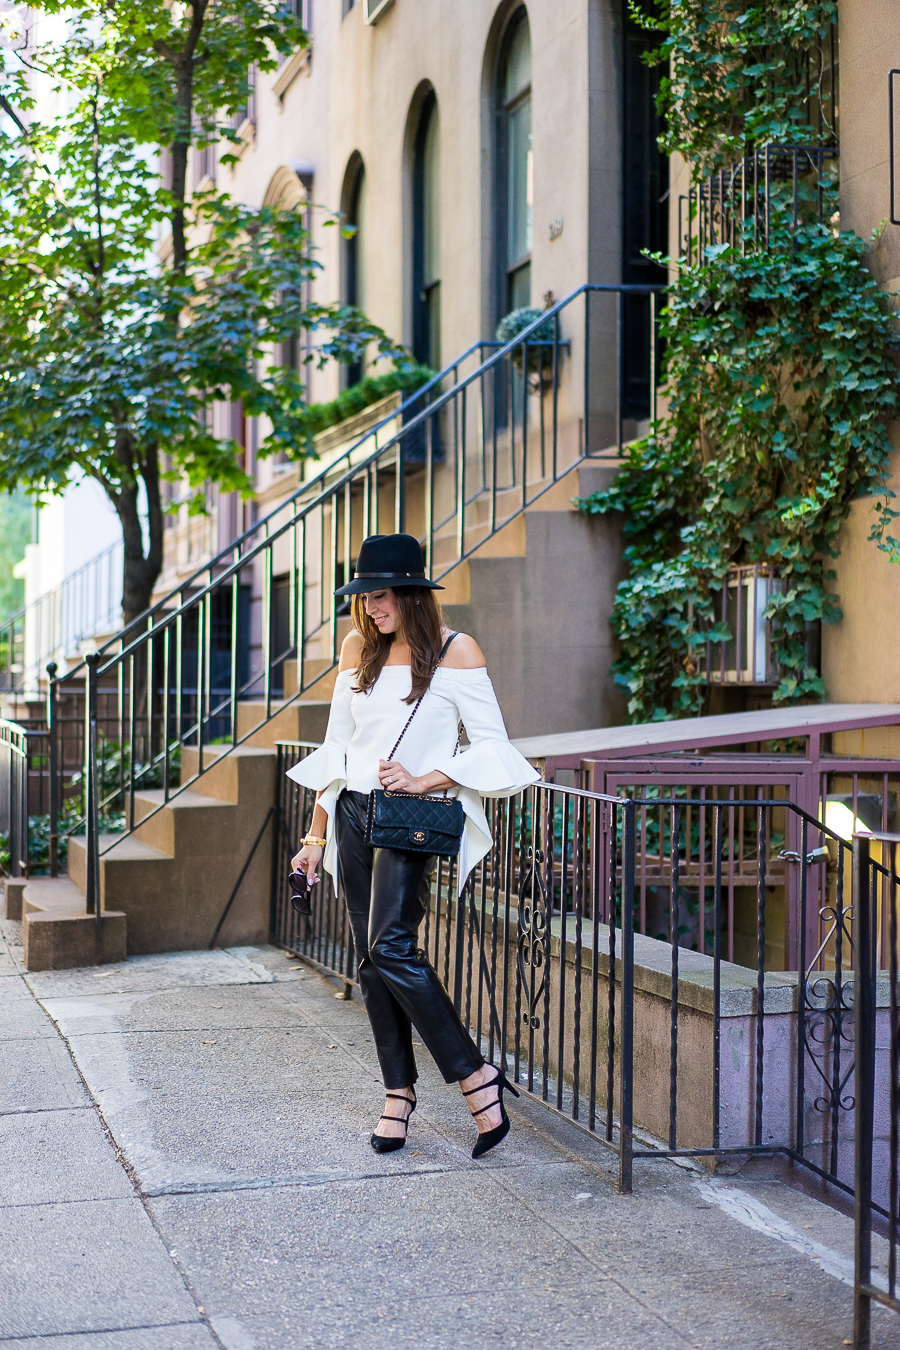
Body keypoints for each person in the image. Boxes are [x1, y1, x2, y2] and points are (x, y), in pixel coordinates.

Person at [289, 532, 539, 1158]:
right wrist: (316, 834)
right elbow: (338, 750)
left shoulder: (456, 652)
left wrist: (427, 777)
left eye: (378, 597)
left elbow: (494, 746)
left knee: (391, 947)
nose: (369, 609)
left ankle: (475, 1075)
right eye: (363, 598)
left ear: (409, 594)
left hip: (411, 815)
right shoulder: (357, 649)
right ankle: (398, 1094)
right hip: (351, 813)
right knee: (372, 963)